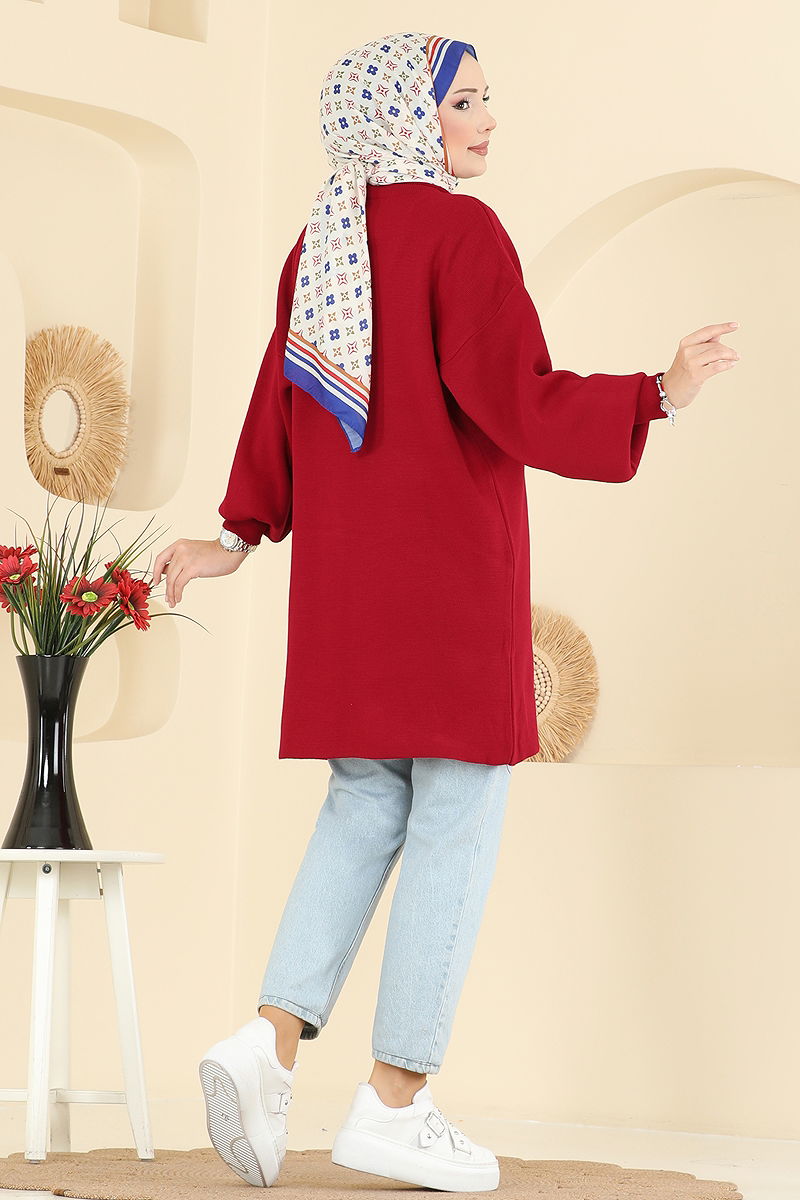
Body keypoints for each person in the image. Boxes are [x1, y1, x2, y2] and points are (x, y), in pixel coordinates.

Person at [151, 30, 740, 1194]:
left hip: (346, 598)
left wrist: (234, 536)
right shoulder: (458, 234)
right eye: (462, 100)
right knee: (455, 819)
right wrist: (656, 395)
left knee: (363, 801)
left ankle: (267, 1041)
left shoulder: (321, 240)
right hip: (448, 589)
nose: (484, 119)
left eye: (482, 99)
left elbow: (278, 401)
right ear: (403, 117)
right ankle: (394, 1102)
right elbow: (516, 399)